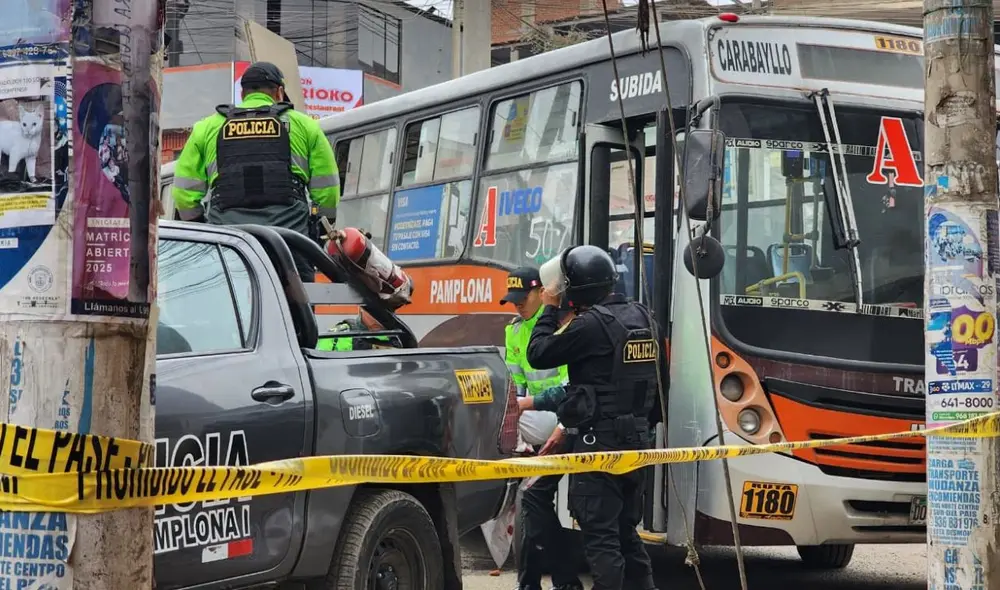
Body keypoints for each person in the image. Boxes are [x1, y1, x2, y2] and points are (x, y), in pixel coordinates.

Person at [526, 245, 660, 590]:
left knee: (601, 536)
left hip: (599, 445)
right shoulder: (644, 318)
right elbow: (660, 386)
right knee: (626, 532)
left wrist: (549, 307)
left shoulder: (591, 326)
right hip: (638, 444)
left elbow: (538, 353)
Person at [171, 61, 341, 283]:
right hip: (290, 245)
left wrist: (204, 229)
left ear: (243, 93)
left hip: (229, 246)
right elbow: (326, 190)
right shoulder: (306, 126)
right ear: (279, 92)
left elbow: (184, 193)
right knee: (297, 313)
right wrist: (318, 230)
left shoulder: (207, 128)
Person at [501, 267, 582, 590]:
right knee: (530, 504)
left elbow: (568, 386)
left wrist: (558, 426)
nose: (517, 306)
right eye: (513, 301)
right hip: (534, 424)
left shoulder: (560, 327)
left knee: (532, 500)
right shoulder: (515, 331)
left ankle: (556, 581)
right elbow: (515, 387)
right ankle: (539, 583)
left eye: (523, 299)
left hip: (563, 422)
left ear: (541, 293)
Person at [316, 308, 395, 351]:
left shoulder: (397, 338)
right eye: (375, 313)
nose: (379, 320)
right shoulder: (335, 336)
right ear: (362, 309)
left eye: (387, 313)